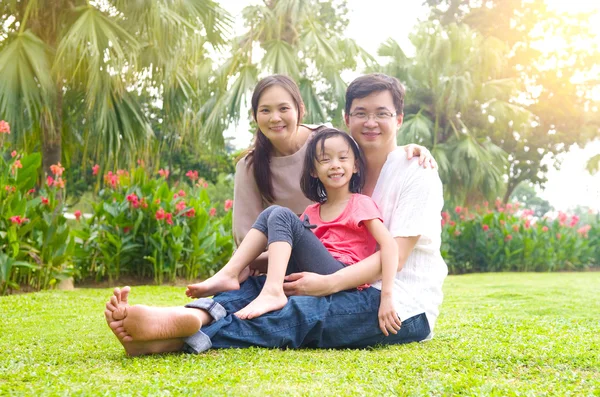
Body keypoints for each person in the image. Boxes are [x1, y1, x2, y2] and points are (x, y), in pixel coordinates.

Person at [104, 73, 447, 356]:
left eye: (382, 113)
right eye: (361, 113)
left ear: (399, 119)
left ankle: (174, 336)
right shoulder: (346, 167)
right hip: (348, 282)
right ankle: (187, 317)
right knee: (261, 286)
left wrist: (327, 282)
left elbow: (396, 256)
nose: (370, 122)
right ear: (346, 119)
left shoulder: (416, 170)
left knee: (301, 312)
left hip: (399, 304)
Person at [185, 129, 401, 335]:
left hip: (341, 274)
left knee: (279, 214)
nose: (335, 165)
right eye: (325, 159)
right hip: (314, 271)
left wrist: (388, 296)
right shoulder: (312, 211)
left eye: (343, 158)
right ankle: (232, 274)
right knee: (273, 215)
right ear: (313, 171)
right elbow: (292, 253)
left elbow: (389, 246)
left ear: (355, 166)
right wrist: (252, 263)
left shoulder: (360, 203)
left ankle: (271, 290)